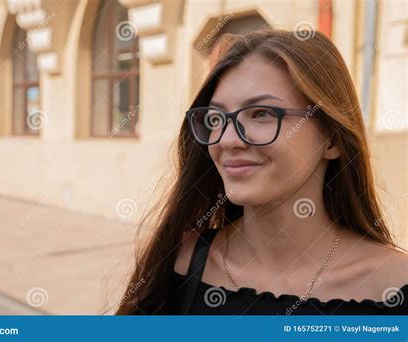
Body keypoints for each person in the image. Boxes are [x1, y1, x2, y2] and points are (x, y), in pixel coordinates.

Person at [116, 29, 408, 315]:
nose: (227, 140)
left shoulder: (394, 287)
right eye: (217, 118)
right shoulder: (179, 262)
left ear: (331, 139)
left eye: (262, 114)